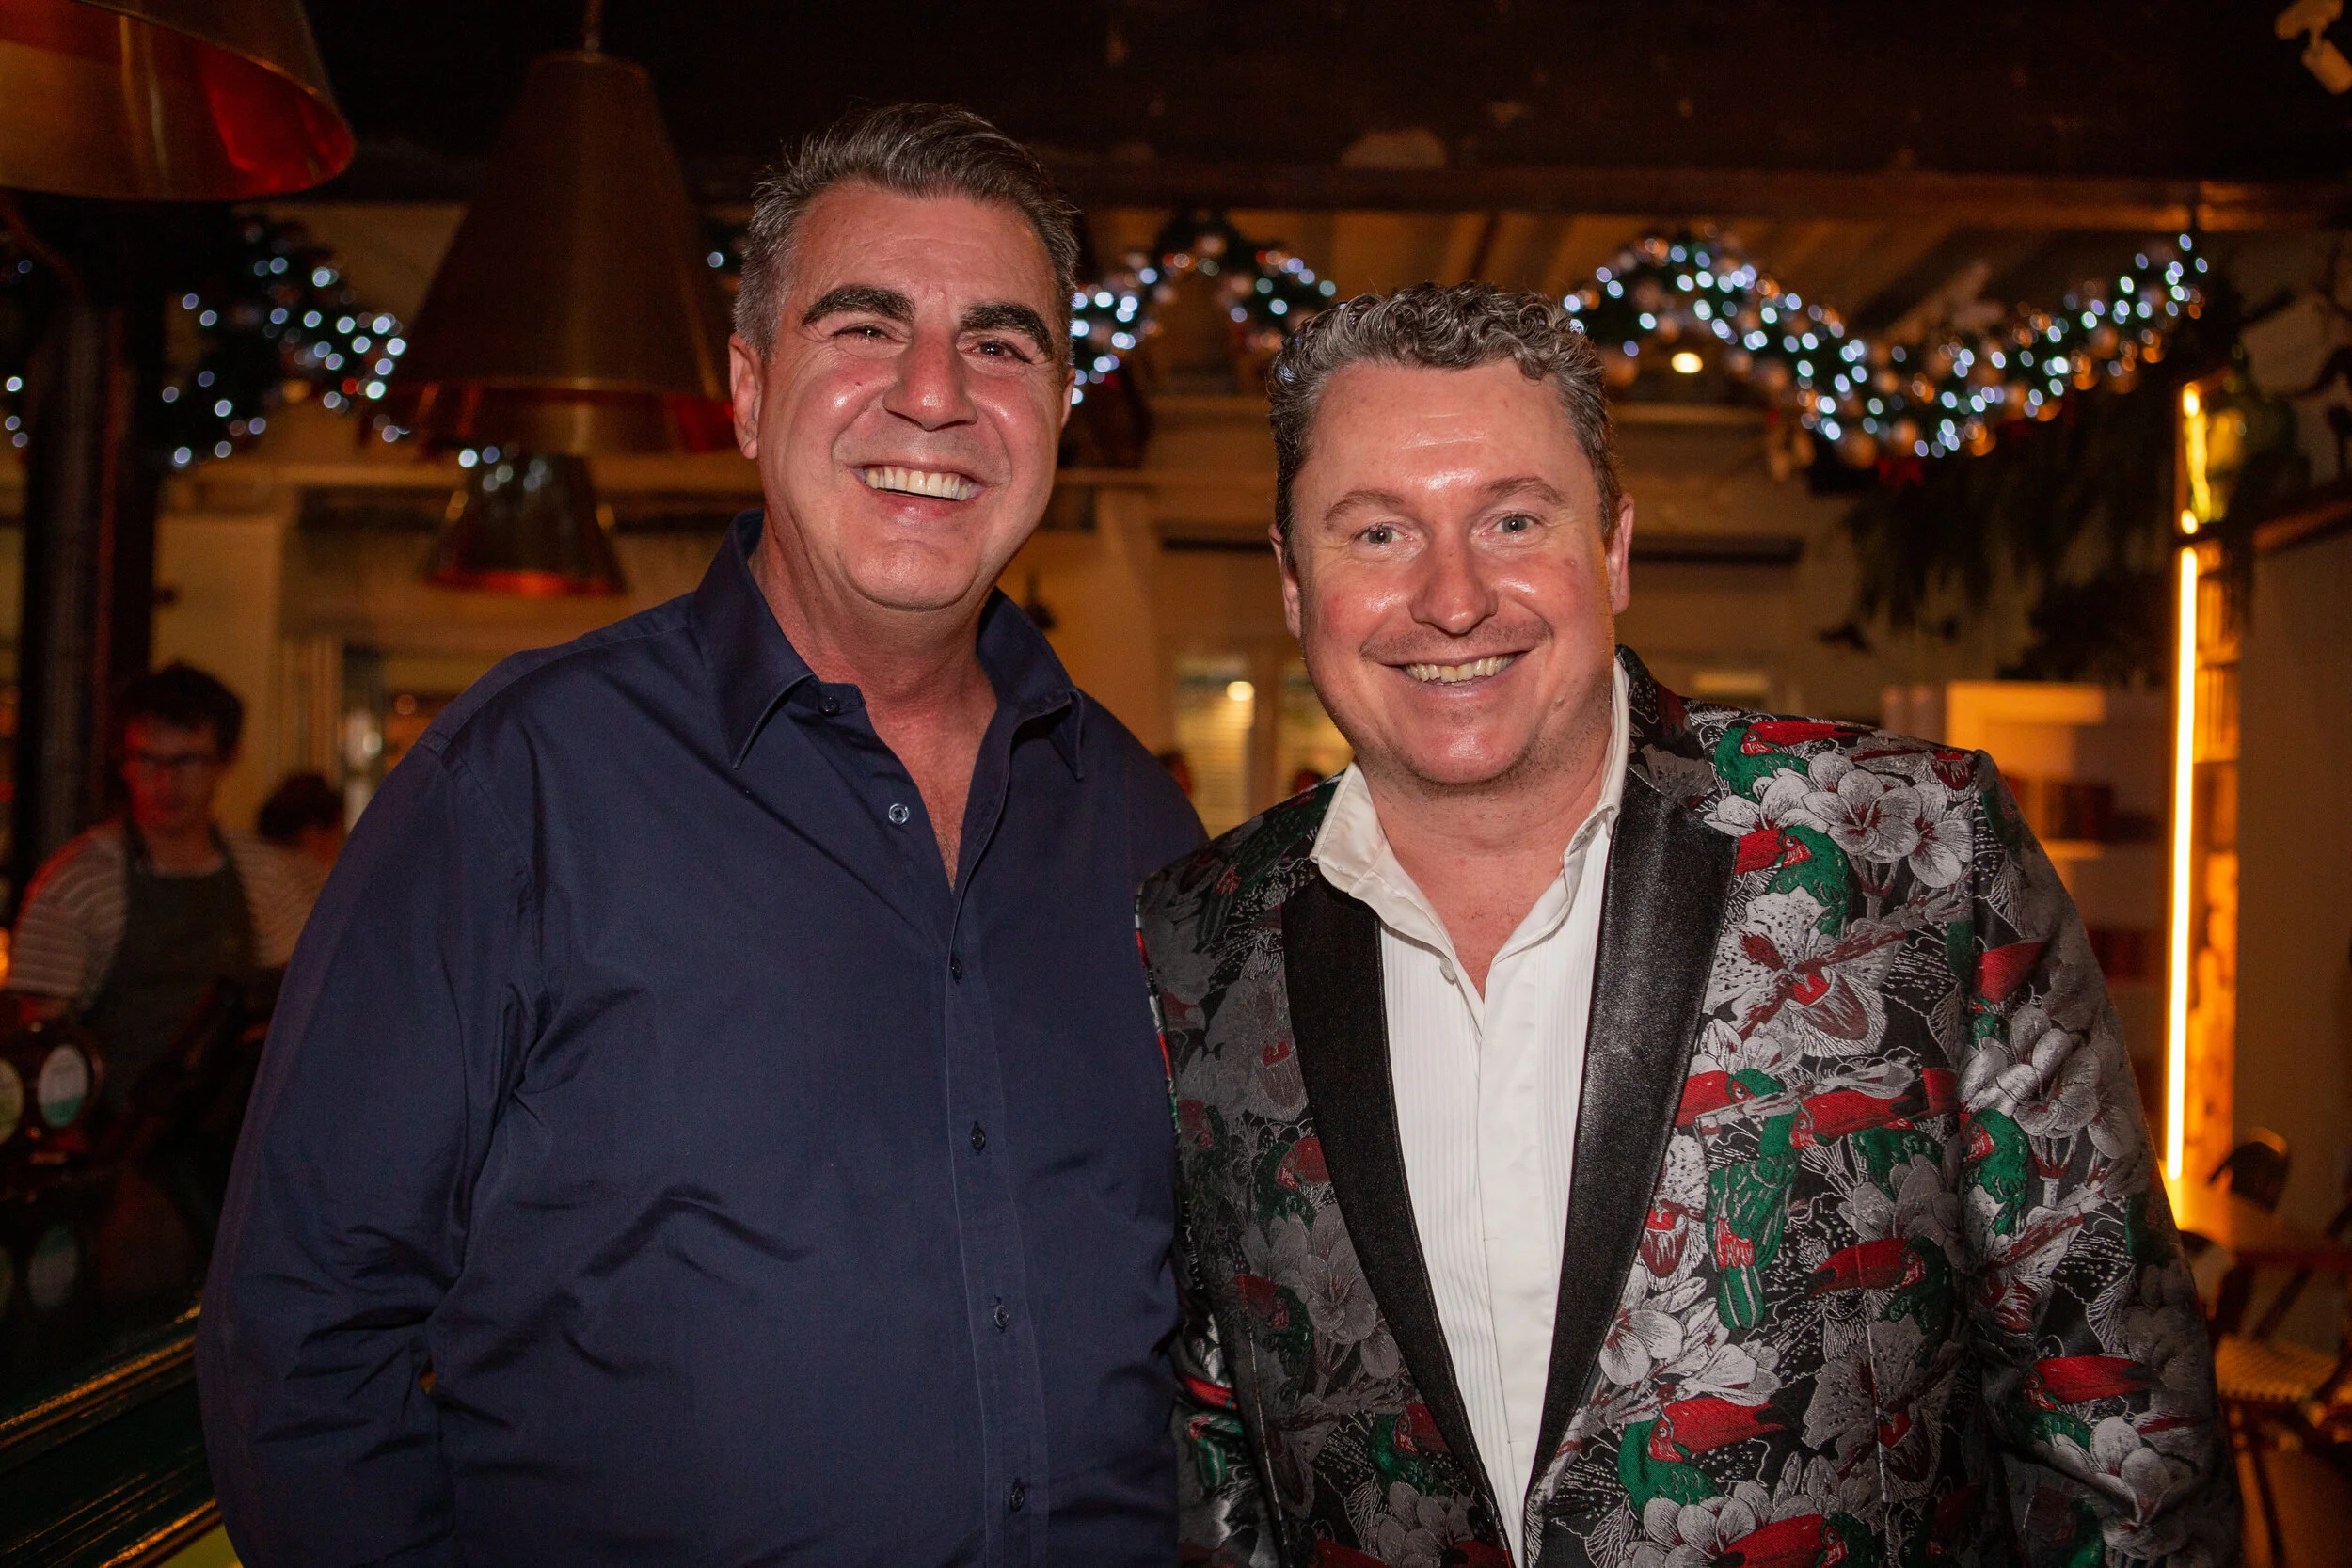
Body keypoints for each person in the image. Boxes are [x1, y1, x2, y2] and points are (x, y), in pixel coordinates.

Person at [199, 105, 1201, 1564]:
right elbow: (301, 1341)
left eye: (1001, 342)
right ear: (747, 389)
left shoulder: (1139, 819)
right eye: (864, 326)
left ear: (1055, 407)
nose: (935, 394)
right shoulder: (522, 784)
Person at [1136, 285, 2235, 1566]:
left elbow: (2125, 1441)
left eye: (1512, 518)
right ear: (1291, 577)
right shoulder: (1201, 940)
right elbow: (1218, 1460)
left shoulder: (1914, 853)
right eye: (1377, 531)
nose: (1452, 596)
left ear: (1611, 547)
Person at [7, 662, 320, 1114]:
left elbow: (293, 1016)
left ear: (227, 759)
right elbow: (40, 1047)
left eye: (187, 760)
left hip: (231, 1138)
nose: (166, 783)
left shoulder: (268, 877)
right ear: (123, 762)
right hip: (115, 1143)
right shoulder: (78, 884)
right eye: (148, 759)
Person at [255, 770, 345, 873]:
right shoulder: (306, 882)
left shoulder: (253, 870)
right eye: (338, 836)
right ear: (312, 835)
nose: (340, 848)